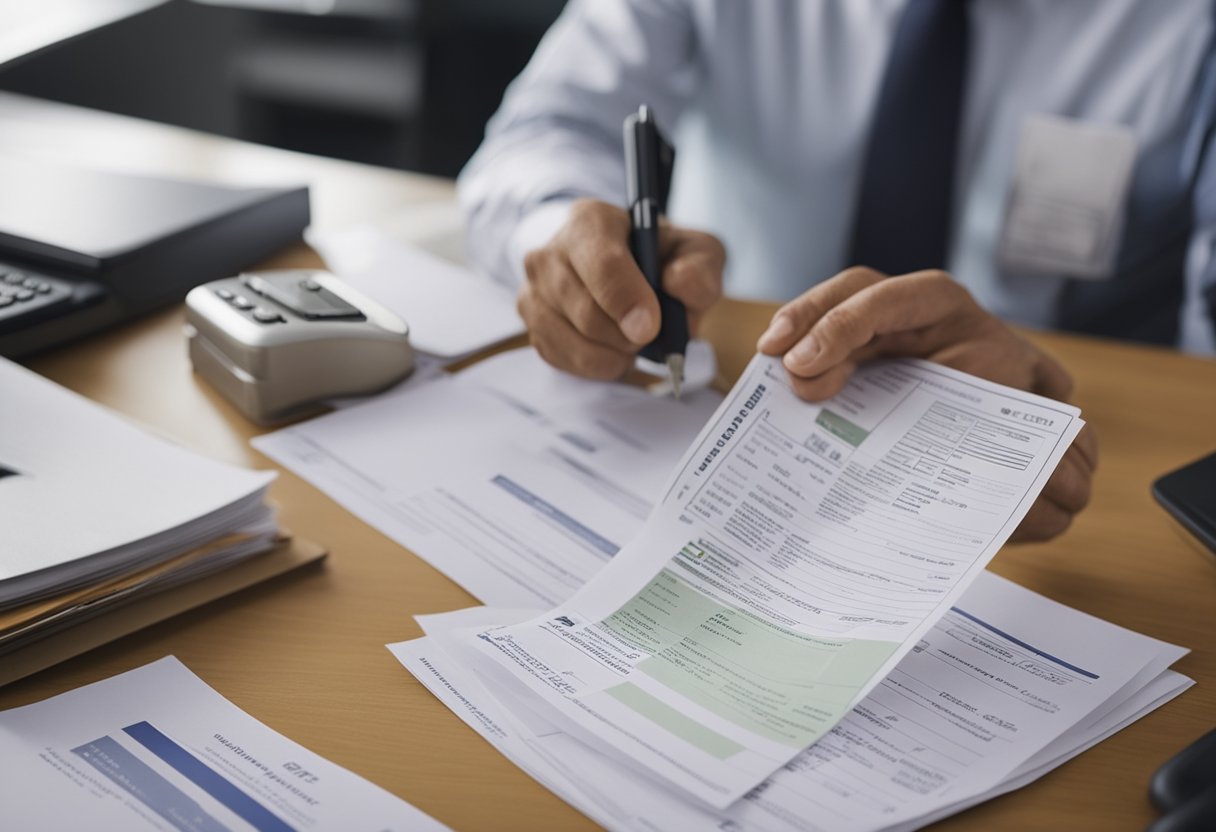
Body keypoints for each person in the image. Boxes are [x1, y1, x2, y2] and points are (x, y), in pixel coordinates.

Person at [459, 1, 1211, 538]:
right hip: (723, 404)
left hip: (1049, 439)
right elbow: (544, 130)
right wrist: (563, 237)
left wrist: (1044, 415)